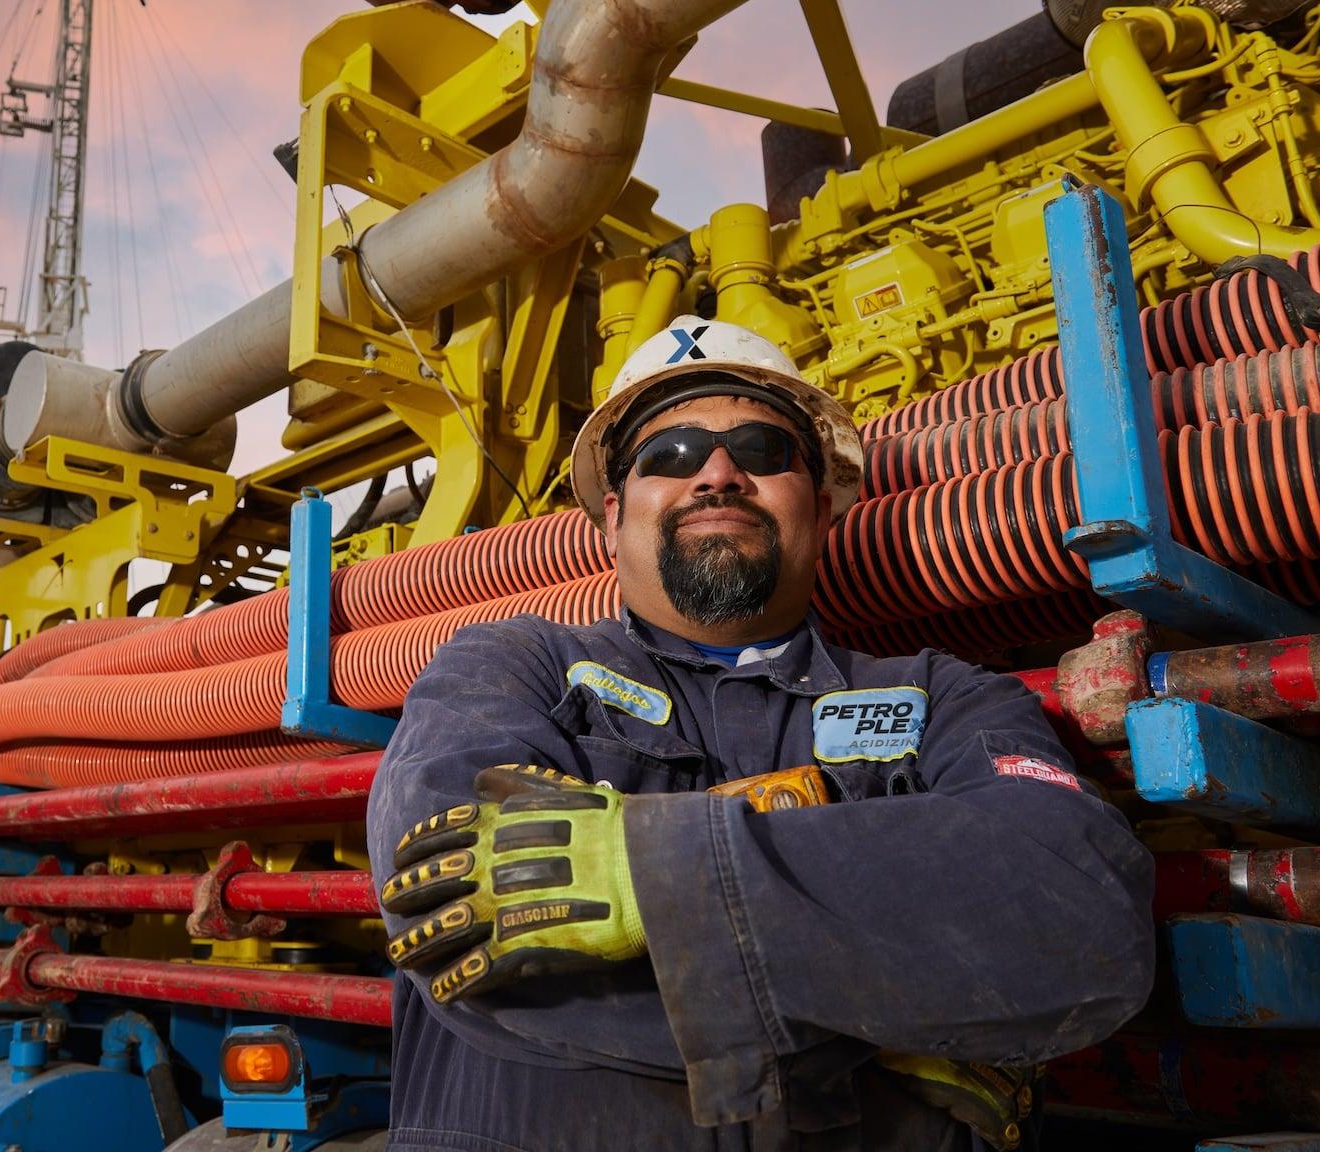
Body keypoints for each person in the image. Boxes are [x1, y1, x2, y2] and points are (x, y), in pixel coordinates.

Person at [367, 316, 1155, 1151]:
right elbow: (457, 920)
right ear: (612, 514)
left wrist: (655, 877)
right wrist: (903, 1021)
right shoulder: (510, 668)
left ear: (819, 505)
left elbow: (1081, 910)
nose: (716, 473)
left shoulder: (940, 696)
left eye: (761, 450)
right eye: (667, 455)